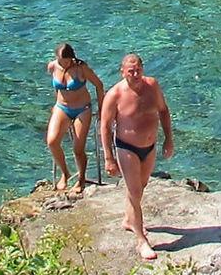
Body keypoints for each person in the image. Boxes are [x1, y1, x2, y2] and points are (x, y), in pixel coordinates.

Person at [99, 52, 174, 261]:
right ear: (122, 72)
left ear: (143, 68)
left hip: (149, 146)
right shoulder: (114, 94)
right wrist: (108, 157)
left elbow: (164, 111)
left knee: (140, 187)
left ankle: (128, 219)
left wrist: (169, 139)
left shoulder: (153, 86)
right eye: (130, 70)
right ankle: (142, 241)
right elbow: (104, 127)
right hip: (126, 147)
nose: (135, 73)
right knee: (133, 190)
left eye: (138, 69)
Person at [45, 42, 105, 192]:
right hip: (62, 107)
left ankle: (81, 179)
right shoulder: (52, 66)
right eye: (60, 59)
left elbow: (99, 85)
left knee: (78, 148)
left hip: (82, 109)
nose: (64, 63)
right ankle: (65, 173)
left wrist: (101, 108)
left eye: (66, 59)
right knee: (52, 142)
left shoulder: (81, 68)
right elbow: (56, 87)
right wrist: (55, 103)